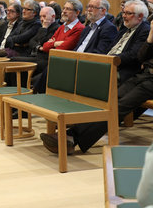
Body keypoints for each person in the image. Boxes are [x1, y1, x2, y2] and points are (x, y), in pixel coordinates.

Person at [40, 17, 153, 155]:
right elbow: (141, 56)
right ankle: (70, 134)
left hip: (150, 82)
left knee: (121, 105)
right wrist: (151, 37)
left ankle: (72, 138)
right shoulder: (150, 32)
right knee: (110, 101)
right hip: (144, 75)